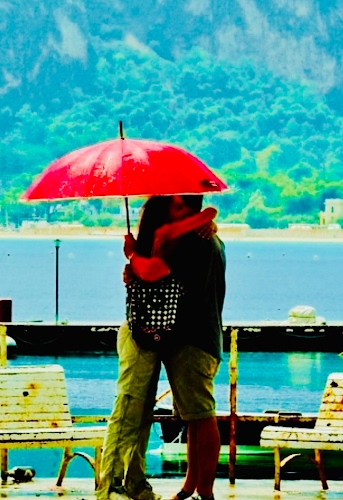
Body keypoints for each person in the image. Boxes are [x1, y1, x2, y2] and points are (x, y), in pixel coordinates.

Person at [96, 195, 225, 500]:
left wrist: (132, 256)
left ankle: (203, 490)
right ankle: (188, 485)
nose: (171, 210)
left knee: (200, 415)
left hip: (192, 338)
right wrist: (135, 269)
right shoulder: (197, 235)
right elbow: (163, 278)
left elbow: (155, 271)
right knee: (192, 416)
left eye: (177, 205)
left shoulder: (193, 238)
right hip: (190, 336)